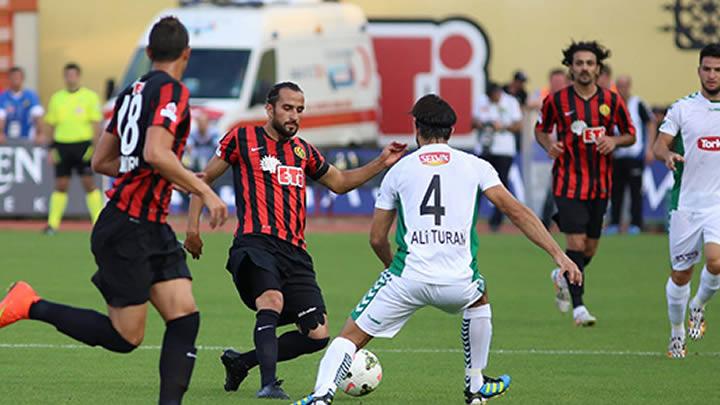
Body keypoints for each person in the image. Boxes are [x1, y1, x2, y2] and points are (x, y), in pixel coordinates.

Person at [290, 94, 582, 405]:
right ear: (452, 131)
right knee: (479, 296)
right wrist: (559, 254)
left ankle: (321, 396)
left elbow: (377, 238)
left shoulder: (399, 170)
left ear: (416, 127)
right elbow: (517, 212)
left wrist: (394, 269)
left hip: (407, 279)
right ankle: (475, 385)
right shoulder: (476, 166)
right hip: (458, 281)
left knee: (350, 338)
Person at [0, 17, 228, 404]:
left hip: (148, 225)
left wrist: (160, 177)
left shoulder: (129, 93)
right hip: (129, 227)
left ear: (150, 53)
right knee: (127, 338)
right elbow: (155, 152)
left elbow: (103, 161)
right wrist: (203, 189)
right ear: (186, 54)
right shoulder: (173, 92)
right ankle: (30, 304)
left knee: (185, 316)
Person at [183, 81, 407, 399]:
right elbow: (203, 179)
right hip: (254, 243)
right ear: (270, 108)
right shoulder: (242, 137)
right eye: (288, 108)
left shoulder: (302, 150)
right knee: (271, 301)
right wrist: (192, 229)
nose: (294, 116)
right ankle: (268, 385)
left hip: (295, 253)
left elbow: (340, 182)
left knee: (318, 335)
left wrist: (381, 163)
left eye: (300, 110)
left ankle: (241, 363)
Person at [535, 41, 635, 326]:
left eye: (590, 63)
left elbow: (630, 134)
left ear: (598, 68)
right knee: (576, 242)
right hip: (568, 183)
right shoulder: (557, 101)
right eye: (579, 63)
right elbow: (540, 129)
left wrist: (614, 140)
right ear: (571, 67)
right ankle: (579, 308)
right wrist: (548, 145)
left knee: (588, 249)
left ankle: (562, 275)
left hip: (600, 185)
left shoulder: (612, 101)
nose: (584, 68)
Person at [653, 43, 720, 359]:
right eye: (707, 69)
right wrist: (667, 155)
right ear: (698, 71)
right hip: (686, 203)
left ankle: (699, 304)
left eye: (717, 70)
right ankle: (677, 332)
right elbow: (659, 145)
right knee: (681, 274)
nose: (712, 75)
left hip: (717, 203)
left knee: (716, 261)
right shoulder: (683, 108)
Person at [43, 63, 103, 234]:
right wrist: (50, 148)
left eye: (73, 75)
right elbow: (50, 124)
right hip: (62, 145)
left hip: (83, 145)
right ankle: (52, 224)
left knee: (88, 183)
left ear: (78, 76)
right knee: (61, 184)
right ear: (64, 77)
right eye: (67, 75)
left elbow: (95, 123)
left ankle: (98, 223)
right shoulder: (57, 98)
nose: (70, 78)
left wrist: (95, 146)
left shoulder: (89, 97)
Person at [605, 75, 657, 235]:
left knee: (635, 192)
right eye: (619, 86)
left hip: (635, 155)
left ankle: (636, 224)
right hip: (616, 155)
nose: (622, 89)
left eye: (624, 86)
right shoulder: (610, 105)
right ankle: (614, 224)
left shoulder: (638, 103)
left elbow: (651, 122)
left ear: (629, 86)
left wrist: (649, 148)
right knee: (616, 193)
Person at [473, 81, 522, 231]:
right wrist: (483, 125)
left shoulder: (511, 102)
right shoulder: (481, 100)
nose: (493, 98)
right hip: (485, 148)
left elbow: (518, 125)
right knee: (478, 185)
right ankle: (472, 218)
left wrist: (503, 126)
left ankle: (496, 221)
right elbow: (473, 122)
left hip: (504, 149)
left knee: (501, 184)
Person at [0, 66, 44, 144]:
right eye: (13, 77)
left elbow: (38, 116)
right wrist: (0, 133)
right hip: (7, 139)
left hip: (27, 138)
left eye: (18, 77)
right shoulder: (3, 97)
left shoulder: (31, 96)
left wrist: (40, 133)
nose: (15, 79)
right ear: (9, 79)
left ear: (23, 78)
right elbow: (1, 117)